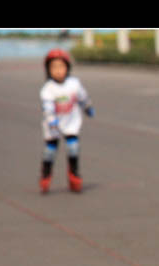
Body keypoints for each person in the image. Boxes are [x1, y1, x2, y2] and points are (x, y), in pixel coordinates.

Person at [39, 49, 94, 193]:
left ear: (67, 68)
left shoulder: (74, 83)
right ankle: (46, 175)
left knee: (73, 148)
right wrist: (51, 120)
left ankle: (74, 175)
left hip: (71, 122)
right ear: (48, 70)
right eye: (54, 67)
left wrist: (87, 107)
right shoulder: (48, 89)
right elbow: (48, 107)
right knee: (49, 152)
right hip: (54, 125)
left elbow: (82, 97)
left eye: (61, 67)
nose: (58, 71)